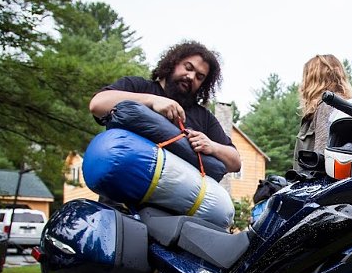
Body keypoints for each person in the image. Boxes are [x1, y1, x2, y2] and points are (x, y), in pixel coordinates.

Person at [89, 40, 242, 174]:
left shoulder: (204, 117)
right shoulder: (137, 86)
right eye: (188, 67)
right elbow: (97, 104)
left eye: (199, 77)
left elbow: (235, 162)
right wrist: (151, 100)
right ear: (174, 63)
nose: (191, 77)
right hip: (119, 191)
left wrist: (212, 146)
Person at [295, 54, 352, 172]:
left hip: (316, 182)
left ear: (313, 79)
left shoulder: (327, 106)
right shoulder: (345, 107)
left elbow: (322, 160)